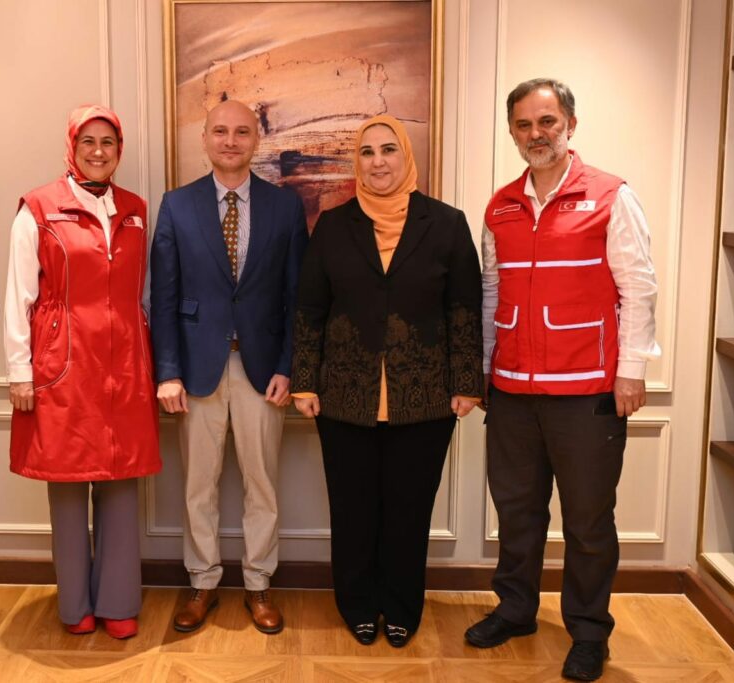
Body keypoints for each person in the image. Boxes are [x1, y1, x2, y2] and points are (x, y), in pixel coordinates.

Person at [466, 78, 659, 681]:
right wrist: (484, 369)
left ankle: (589, 631)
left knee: (588, 522)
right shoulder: (500, 206)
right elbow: (491, 292)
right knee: (517, 513)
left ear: (570, 124)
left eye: (546, 121)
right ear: (512, 131)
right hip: (512, 392)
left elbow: (639, 289)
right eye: (524, 124)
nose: (536, 134)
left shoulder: (610, 195)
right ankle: (516, 610)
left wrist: (631, 372)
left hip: (588, 392)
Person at [291, 114, 484, 648]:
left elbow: (464, 309)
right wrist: (305, 381)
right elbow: (310, 309)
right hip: (342, 396)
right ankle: (357, 604)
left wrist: (467, 382)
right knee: (353, 510)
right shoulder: (334, 226)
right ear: (357, 162)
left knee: (408, 512)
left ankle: (400, 607)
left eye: (388, 150)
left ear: (405, 156)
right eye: (368, 152)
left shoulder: (446, 224)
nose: (378, 162)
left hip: (425, 397)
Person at [150, 100, 308, 634]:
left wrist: (289, 366)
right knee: (199, 485)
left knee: (263, 485)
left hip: (264, 372)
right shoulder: (177, 205)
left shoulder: (285, 208)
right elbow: (163, 297)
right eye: (220, 131)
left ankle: (259, 584)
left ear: (256, 140)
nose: (231, 141)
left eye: (242, 132)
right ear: (205, 139)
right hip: (197, 372)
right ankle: (202, 582)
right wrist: (167, 371)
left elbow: (297, 298)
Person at [4, 104, 161, 639]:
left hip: (124, 364)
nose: (98, 151)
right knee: (69, 489)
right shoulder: (38, 208)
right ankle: (75, 606)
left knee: (120, 482)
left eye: (108, 142)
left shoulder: (135, 210)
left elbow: (143, 292)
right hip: (62, 365)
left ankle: (118, 602)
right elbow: (19, 295)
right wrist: (19, 370)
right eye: (87, 141)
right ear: (72, 147)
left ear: (119, 150)